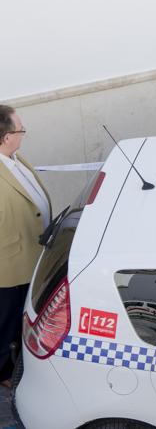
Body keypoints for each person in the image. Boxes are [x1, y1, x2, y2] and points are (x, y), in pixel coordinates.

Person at [0, 105, 50, 387]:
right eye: (20, 129)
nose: (24, 133)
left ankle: (19, 361)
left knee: (20, 317)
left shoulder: (16, 159)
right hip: (9, 263)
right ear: (7, 136)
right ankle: (3, 372)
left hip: (30, 256)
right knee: (5, 320)